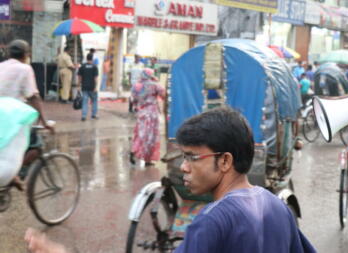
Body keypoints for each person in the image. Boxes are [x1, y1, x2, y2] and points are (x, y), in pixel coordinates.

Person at [24, 107, 316, 253]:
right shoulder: (276, 208)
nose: (184, 167)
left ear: (224, 161)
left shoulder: (212, 221)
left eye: (191, 157)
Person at [0, 40, 54, 189]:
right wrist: (44, 121)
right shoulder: (25, 69)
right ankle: (13, 174)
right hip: (12, 117)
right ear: (26, 55)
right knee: (36, 147)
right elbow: (33, 96)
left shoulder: (1, 66)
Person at [130, 68, 165, 166]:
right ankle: (147, 160)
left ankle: (134, 150)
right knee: (150, 137)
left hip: (141, 112)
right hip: (152, 113)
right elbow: (164, 95)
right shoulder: (155, 85)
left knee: (140, 134)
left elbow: (133, 100)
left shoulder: (136, 86)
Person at [77, 53, 99, 121]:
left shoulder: (82, 67)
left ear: (86, 58)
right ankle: (93, 115)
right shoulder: (94, 67)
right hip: (92, 87)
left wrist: (78, 86)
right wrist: (95, 87)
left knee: (85, 102)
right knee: (94, 101)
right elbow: (96, 78)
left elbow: (80, 77)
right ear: (92, 59)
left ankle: (84, 116)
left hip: (84, 87)